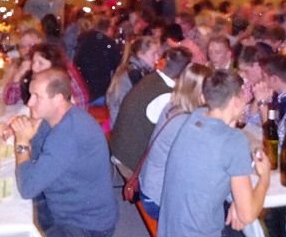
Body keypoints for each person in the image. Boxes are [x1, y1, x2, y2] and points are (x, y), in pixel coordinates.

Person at [158, 70, 271, 236]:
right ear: (235, 101)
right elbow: (247, 215)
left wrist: (238, 199)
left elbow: (222, 139)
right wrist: (265, 178)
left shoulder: (196, 117)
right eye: (243, 96)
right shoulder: (235, 141)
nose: (246, 101)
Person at [10, 68, 118, 236]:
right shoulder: (53, 120)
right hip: (63, 206)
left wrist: (22, 143)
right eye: (31, 95)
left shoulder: (69, 133)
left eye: (37, 97)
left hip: (85, 225)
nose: (30, 103)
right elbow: (35, 160)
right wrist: (29, 134)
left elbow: (27, 187)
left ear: (58, 99)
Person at [139, 63, 210, 219]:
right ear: (200, 93)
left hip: (149, 186)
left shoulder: (173, 105)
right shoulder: (186, 122)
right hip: (157, 199)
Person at [110, 46, 192, 171]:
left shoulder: (151, 78)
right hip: (131, 163)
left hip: (119, 150)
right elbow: (168, 139)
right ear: (185, 73)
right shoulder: (166, 96)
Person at [106, 36, 160, 128]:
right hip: (124, 126)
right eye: (154, 54)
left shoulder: (135, 69)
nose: (157, 57)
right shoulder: (134, 75)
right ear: (140, 54)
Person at [74, 16, 122, 105]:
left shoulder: (83, 40)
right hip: (101, 90)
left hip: (84, 87)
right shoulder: (108, 44)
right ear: (108, 29)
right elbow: (118, 66)